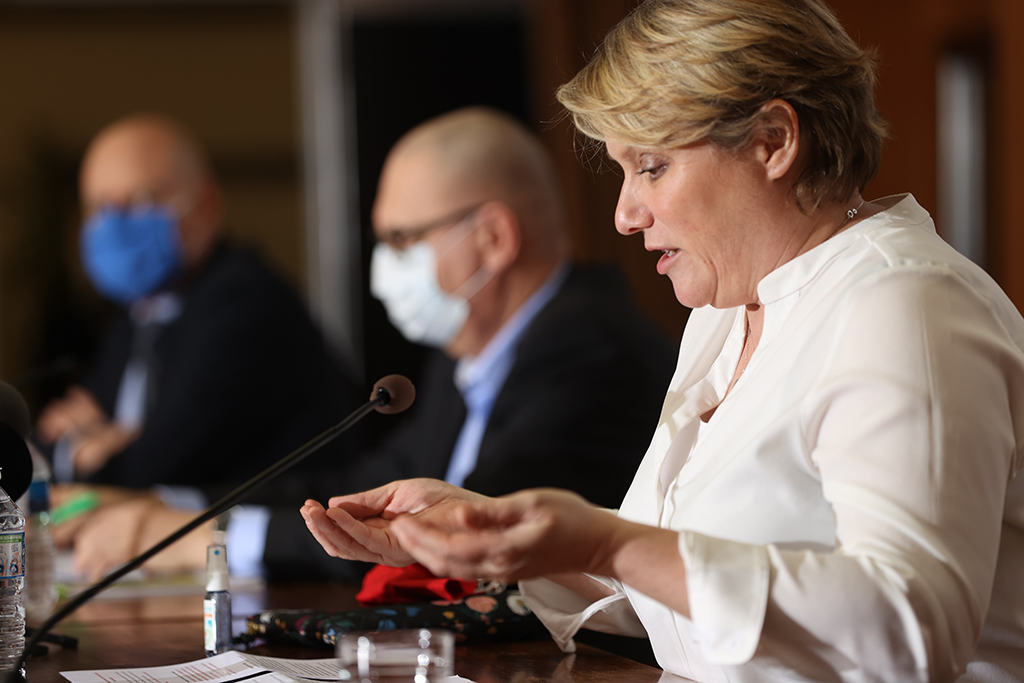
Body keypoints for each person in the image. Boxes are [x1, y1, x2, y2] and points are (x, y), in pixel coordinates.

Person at [300, 1, 1024, 681]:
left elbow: (913, 625)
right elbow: (681, 584)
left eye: (652, 166)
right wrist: (496, 531)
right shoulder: (724, 311)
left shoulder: (903, 302)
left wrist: (602, 540)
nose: (623, 213)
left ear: (773, 141)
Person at [68, 107, 676, 583]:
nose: (386, 266)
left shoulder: (590, 351)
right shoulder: (468, 353)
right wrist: (176, 508)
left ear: (493, 239)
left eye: (403, 239)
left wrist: (203, 538)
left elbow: (461, 534)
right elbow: (371, 483)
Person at [35, 114, 358, 533]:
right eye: (99, 205)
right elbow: (53, 439)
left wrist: (102, 445)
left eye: (138, 200)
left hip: (292, 561)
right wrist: (86, 446)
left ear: (205, 205)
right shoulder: (138, 317)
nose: (114, 224)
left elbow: (147, 473)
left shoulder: (243, 303)